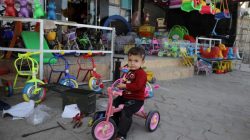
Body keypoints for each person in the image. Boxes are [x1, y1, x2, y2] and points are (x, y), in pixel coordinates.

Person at [113, 47, 147, 140]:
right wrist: (118, 86)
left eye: (136, 61)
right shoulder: (128, 72)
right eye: (130, 60)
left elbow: (137, 86)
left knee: (126, 112)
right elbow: (123, 81)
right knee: (113, 105)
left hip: (136, 99)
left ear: (142, 62)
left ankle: (122, 134)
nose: (132, 63)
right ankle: (114, 122)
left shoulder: (141, 74)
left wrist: (124, 86)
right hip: (125, 96)